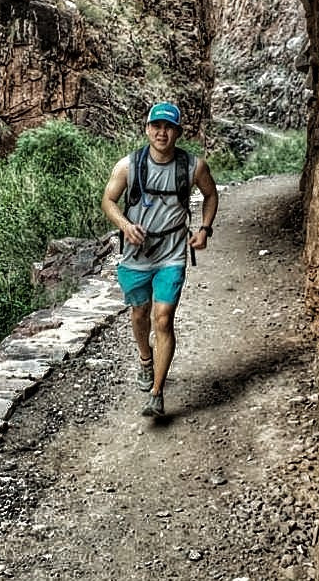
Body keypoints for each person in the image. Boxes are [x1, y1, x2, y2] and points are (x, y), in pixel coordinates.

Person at [101, 101, 218, 418]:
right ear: (147, 128)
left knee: (163, 318)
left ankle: (156, 393)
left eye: (168, 127)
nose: (161, 132)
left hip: (172, 252)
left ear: (178, 132)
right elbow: (108, 200)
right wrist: (125, 225)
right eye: (156, 126)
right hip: (135, 254)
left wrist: (204, 229)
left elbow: (211, 194)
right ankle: (145, 358)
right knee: (139, 313)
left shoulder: (193, 167)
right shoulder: (128, 165)